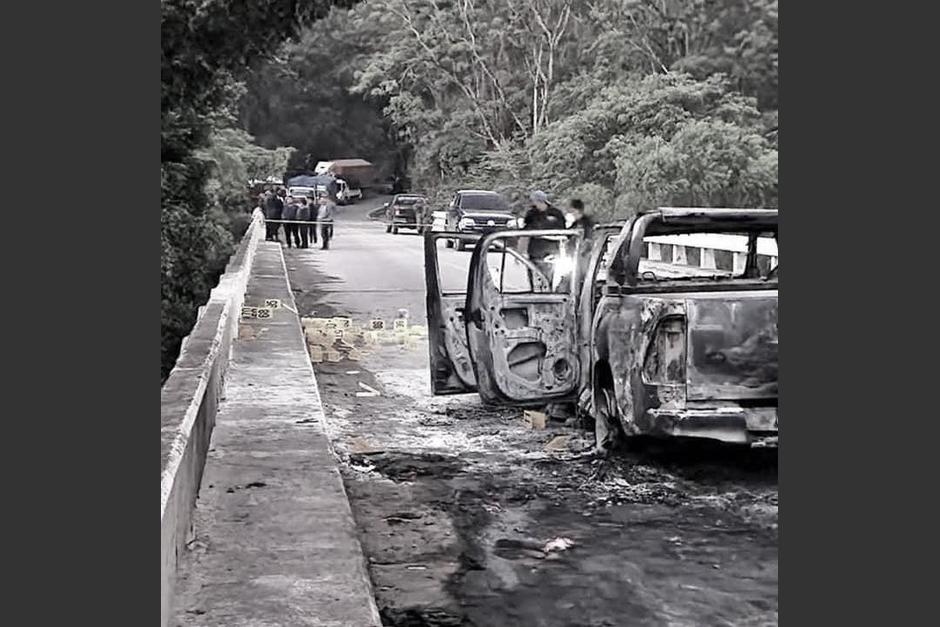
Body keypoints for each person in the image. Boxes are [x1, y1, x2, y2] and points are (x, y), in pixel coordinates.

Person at [521, 190, 567, 281]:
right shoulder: (531, 214)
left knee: (549, 276)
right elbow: (525, 231)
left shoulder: (556, 213)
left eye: (534, 201)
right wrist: (522, 250)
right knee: (534, 277)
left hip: (551, 250)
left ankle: (549, 290)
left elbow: (563, 231)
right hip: (535, 251)